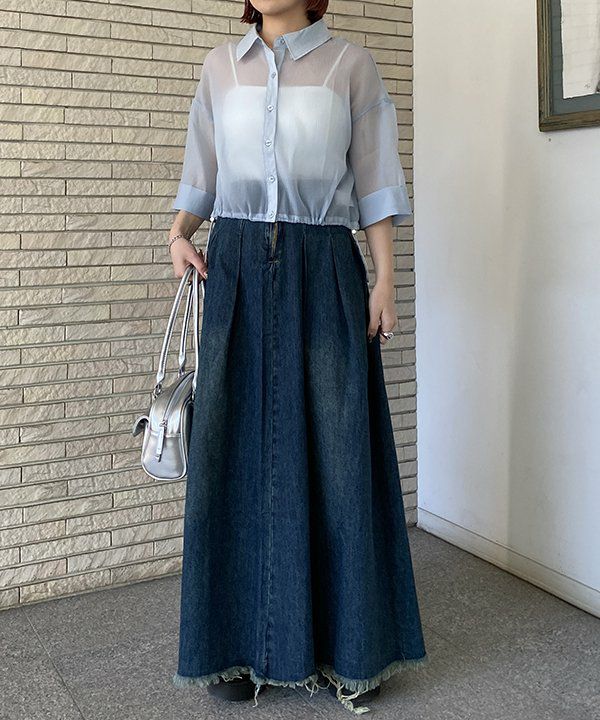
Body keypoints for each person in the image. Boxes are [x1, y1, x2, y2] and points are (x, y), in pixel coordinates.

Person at [167, 0, 428, 714]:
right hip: (237, 266)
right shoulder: (220, 68)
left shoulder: (351, 65)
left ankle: (353, 653)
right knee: (234, 453)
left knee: (341, 453)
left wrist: (385, 280)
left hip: (325, 265)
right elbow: (202, 170)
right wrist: (179, 232)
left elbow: (375, 182)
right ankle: (234, 648)